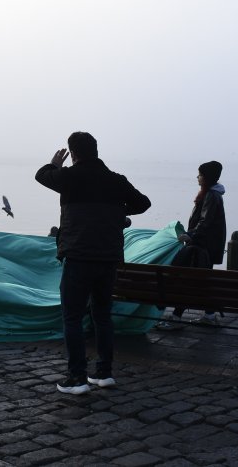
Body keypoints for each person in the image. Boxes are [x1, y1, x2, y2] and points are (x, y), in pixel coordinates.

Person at [35, 132, 151, 395]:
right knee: (102, 315)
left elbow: (41, 175)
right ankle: (104, 372)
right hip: (108, 259)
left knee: (72, 317)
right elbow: (143, 203)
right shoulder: (116, 180)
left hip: (78, 256)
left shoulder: (70, 176)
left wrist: (55, 164)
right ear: (96, 150)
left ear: (73, 153)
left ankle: (76, 377)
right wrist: (115, 211)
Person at [156, 160, 227, 330]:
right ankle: (208, 316)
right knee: (200, 281)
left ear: (207, 177)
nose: (198, 177)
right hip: (207, 246)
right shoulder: (211, 194)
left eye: (200, 175)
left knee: (188, 281)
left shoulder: (211, 195)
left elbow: (205, 221)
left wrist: (189, 235)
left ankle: (176, 317)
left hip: (202, 247)